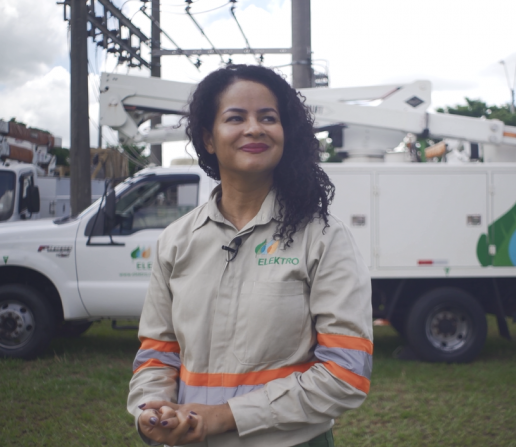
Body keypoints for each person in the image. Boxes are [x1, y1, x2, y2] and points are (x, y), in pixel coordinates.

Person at [127, 64, 373, 447]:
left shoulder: (323, 237)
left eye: (268, 118)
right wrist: (153, 411)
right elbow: (158, 354)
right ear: (209, 139)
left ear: (285, 134)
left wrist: (225, 417)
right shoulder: (176, 241)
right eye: (235, 117)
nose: (254, 128)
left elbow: (346, 373)